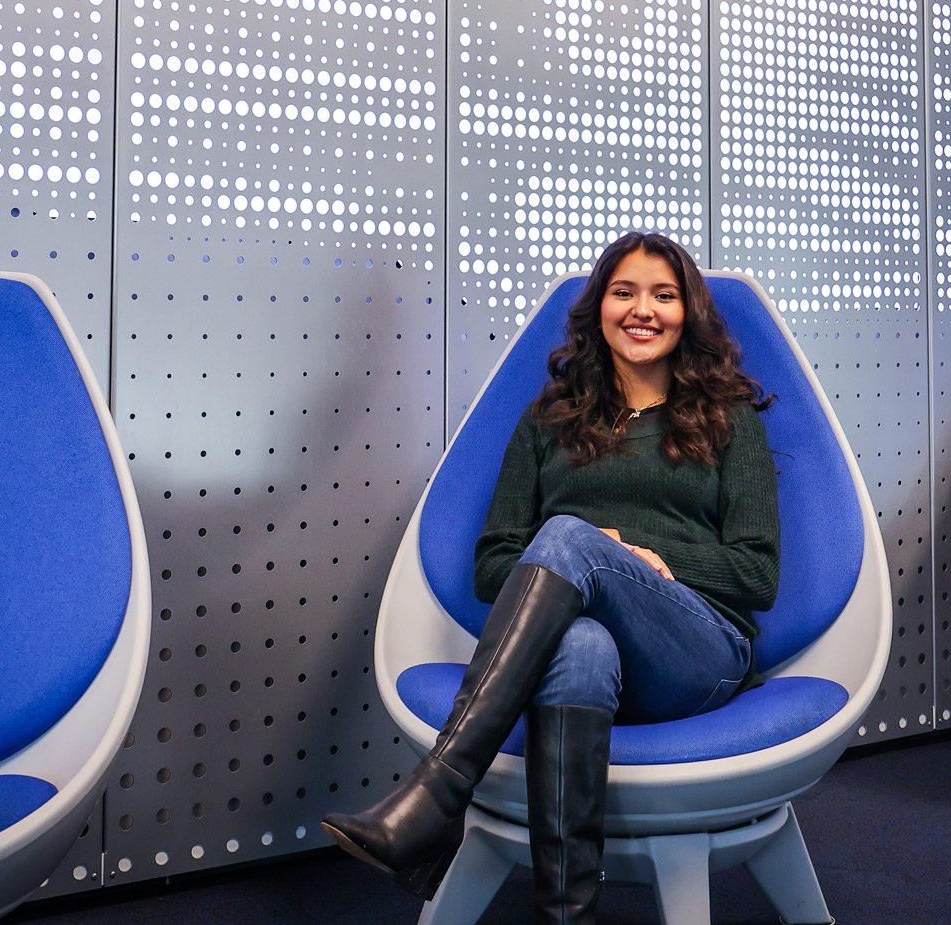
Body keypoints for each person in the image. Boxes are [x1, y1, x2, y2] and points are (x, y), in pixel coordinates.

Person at [322, 232, 780, 922]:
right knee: (580, 644)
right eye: (623, 292)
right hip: (584, 663)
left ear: (690, 313)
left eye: (663, 294)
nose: (642, 309)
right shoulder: (549, 419)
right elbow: (493, 563)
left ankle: (439, 793)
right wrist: (596, 554)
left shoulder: (729, 418)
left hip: (697, 655)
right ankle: (567, 911)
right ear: (598, 308)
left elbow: (757, 572)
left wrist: (639, 554)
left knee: (570, 534)